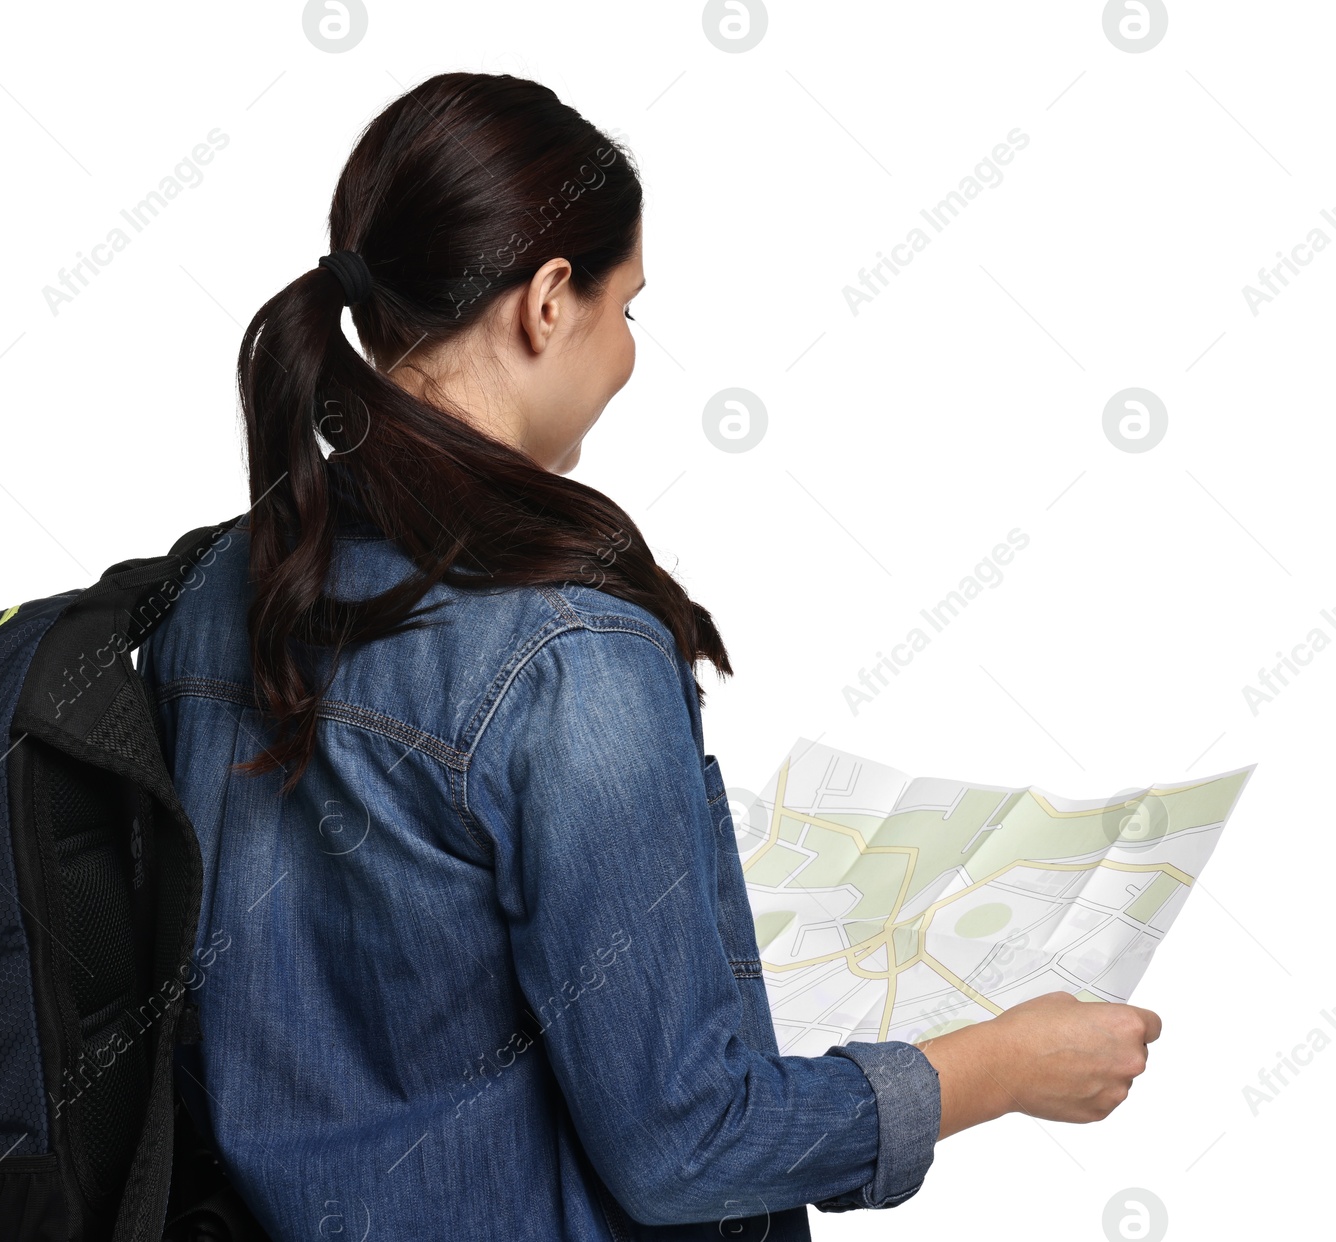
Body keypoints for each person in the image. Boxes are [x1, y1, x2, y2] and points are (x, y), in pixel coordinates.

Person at [140, 70, 1160, 1241]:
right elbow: (686, 1144)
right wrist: (998, 1067)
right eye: (628, 308)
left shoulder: (214, 589)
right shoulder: (567, 651)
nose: (626, 353)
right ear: (547, 300)